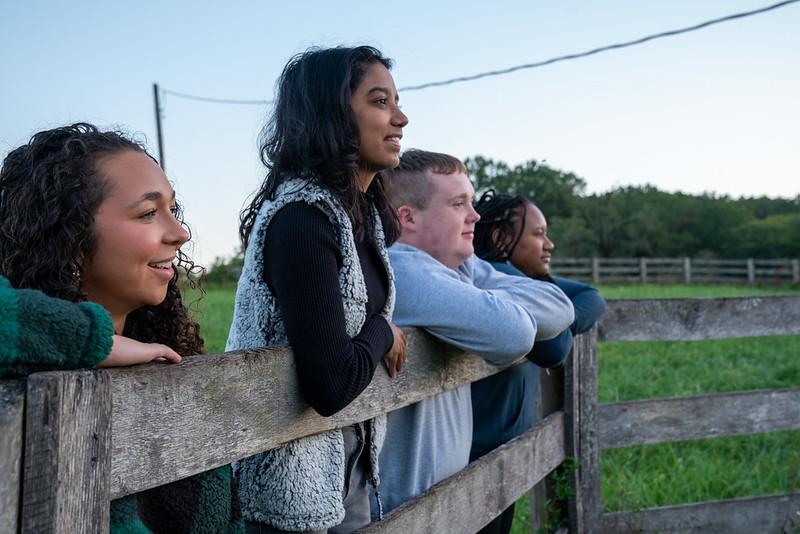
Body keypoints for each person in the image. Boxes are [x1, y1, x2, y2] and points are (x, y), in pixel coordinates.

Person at [0, 123, 243, 533]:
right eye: (148, 213)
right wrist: (93, 340)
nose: (180, 233)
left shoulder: (172, 373)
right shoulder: (18, 358)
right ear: (70, 235)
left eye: (173, 210)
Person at [226, 45, 408, 533]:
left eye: (397, 101)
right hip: (286, 484)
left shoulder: (362, 220)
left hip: (349, 463)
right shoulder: (302, 219)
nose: (401, 118)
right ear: (332, 113)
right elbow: (329, 385)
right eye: (380, 101)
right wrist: (383, 332)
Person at [371, 150, 575, 519]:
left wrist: (473, 299)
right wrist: (482, 302)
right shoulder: (401, 270)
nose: (475, 215)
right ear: (408, 217)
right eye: (458, 203)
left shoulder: (461, 267)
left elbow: (560, 306)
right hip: (398, 514)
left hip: (439, 505)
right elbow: (514, 333)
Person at [470, 191, 607, 534]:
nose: (549, 244)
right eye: (538, 233)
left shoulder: (527, 283)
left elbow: (591, 297)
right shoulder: (491, 276)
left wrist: (556, 320)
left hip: (496, 453)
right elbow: (554, 349)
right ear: (500, 237)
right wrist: (551, 323)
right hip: (474, 458)